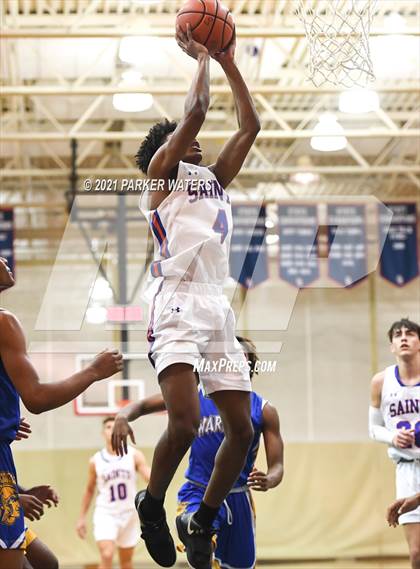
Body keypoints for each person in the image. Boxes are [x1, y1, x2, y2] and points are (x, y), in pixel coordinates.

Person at [134, 22, 260, 569]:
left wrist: (231, 62)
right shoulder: (161, 179)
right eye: (182, 138)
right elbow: (198, 112)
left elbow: (250, 125)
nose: (195, 142)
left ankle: (203, 518)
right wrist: (202, 57)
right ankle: (152, 503)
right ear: (169, 147)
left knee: (241, 428)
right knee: (184, 422)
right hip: (176, 302)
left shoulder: (211, 180)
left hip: (217, 305)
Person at [112, 336, 284, 569]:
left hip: (238, 496)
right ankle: (189, 527)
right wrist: (122, 417)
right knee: (201, 553)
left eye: (236, 356)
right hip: (198, 491)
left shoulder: (264, 409)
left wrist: (270, 479)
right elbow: (141, 406)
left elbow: (277, 466)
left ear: (248, 363)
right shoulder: (194, 396)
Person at [0, 256, 123, 569]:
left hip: (6, 467)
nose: (5, 259)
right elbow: (37, 398)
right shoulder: (4, 323)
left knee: (46, 563)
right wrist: (93, 371)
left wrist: (18, 489)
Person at [369, 318, 420, 569]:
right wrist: (392, 437)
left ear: (419, 343)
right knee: (417, 553)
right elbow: (373, 428)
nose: (403, 338)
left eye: (410, 334)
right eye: (397, 335)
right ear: (391, 346)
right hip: (407, 469)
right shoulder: (381, 381)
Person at [76, 416, 151, 569]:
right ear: (103, 433)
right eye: (108, 427)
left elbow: (149, 477)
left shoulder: (134, 455)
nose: (112, 430)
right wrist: (81, 518)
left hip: (129, 513)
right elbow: (89, 490)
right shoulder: (96, 460)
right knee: (107, 554)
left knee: (126, 562)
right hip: (106, 513)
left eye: (115, 426)